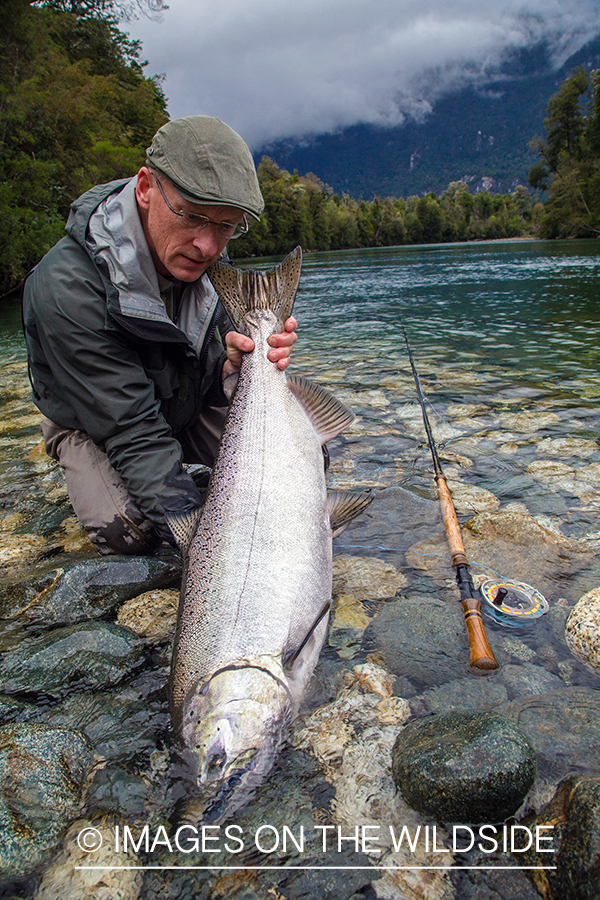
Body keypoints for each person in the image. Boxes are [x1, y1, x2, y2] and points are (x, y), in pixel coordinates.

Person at [22, 116, 297, 555]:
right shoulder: (66, 288)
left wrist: (229, 368)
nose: (208, 246)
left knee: (299, 466)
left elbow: (202, 370)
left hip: (183, 403)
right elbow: (131, 430)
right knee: (132, 532)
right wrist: (207, 549)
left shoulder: (198, 256)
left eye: (226, 226)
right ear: (145, 187)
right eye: (192, 216)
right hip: (98, 425)